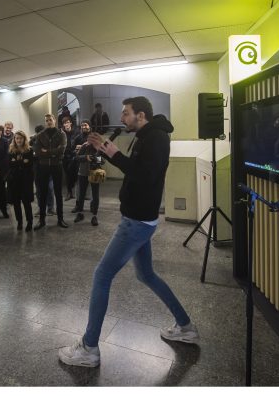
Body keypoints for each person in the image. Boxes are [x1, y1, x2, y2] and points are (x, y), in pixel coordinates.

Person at [58, 97, 198, 367]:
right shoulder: (147, 135)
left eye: (126, 114)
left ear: (141, 115)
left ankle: (89, 348)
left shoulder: (156, 138)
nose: (122, 118)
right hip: (140, 218)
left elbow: (145, 176)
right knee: (146, 274)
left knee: (102, 275)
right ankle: (185, 326)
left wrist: (113, 154)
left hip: (136, 221)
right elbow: (138, 170)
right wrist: (111, 150)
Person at [33, 114, 68, 229]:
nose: (48, 122)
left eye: (50, 120)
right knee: (42, 193)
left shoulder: (61, 134)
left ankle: (60, 219)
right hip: (43, 167)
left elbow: (62, 149)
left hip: (57, 166)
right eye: (46, 120)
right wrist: (53, 152)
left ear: (54, 120)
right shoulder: (40, 135)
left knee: (58, 193)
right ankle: (42, 220)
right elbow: (37, 151)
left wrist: (46, 151)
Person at [72, 121, 103, 226]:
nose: (90, 140)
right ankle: (80, 213)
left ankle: (94, 216)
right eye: (89, 139)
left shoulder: (99, 147)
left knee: (95, 195)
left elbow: (103, 160)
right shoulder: (84, 146)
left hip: (95, 173)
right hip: (83, 173)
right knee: (81, 194)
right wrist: (86, 157)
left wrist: (96, 159)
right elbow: (76, 157)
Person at [7, 130, 35, 231]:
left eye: (20, 138)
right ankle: (19, 222)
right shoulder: (11, 150)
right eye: (17, 138)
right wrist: (22, 162)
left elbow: (30, 165)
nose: (18, 140)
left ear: (24, 139)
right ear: (14, 139)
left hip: (25, 181)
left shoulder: (29, 150)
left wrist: (17, 163)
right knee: (16, 203)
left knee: (26, 202)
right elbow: (10, 165)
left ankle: (30, 222)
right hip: (14, 181)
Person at [62, 118, 77, 200]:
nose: (66, 124)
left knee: (74, 174)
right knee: (68, 174)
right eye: (65, 123)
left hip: (74, 156)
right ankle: (69, 192)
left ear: (71, 123)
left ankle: (72, 189)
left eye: (68, 122)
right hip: (65, 157)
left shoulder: (75, 132)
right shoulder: (61, 133)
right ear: (63, 125)